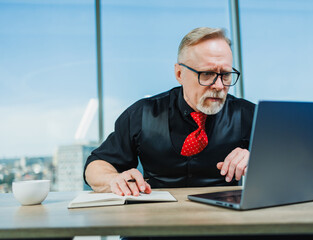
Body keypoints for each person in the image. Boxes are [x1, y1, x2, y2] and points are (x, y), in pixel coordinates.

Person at [84, 27, 255, 197]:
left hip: (226, 216)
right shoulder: (142, 114)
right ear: (179, 73)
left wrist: (259, 159)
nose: (219, 86)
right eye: (207, 74)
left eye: (225, 75)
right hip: (156, 215)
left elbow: (281, 162)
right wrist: (114, 179)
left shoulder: (248, 115)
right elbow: (96, 165)